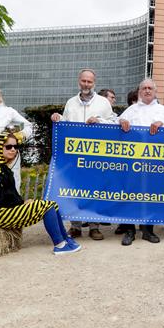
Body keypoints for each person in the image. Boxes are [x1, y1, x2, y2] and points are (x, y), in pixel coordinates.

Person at [0, 131, 81, 255]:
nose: (13, 150)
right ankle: (59, 245)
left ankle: (66, 239)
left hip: (3, 209)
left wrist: (23, 203)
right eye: (8, 147)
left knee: (53, 204)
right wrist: (22, 205)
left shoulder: (3, 167)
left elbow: (10, 194)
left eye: (15, 147)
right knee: (46, 207)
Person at [51, 69, 115, 240]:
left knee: (95, 190)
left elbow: (113, 122)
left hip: (96, 156)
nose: (86, 84)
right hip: (75, 156)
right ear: (79, 81)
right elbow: (66, 124)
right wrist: (58, 117)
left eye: (89, 82)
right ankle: (76, 227)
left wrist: (99, 120)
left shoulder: (103, 102)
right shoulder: (71, 102)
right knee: (75, 190)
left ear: (94, 83)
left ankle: (94, 227)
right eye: (84, 81)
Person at [116, 78, 164, 245]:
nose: (147, 91)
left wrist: (162, 123)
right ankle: (129, 231)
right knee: (129, 194)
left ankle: (148, 230)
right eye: (144, 88)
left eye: (150, 88)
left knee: (150, 194)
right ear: (140, 92)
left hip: (154, 162)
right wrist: (121, 121)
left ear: (155, 92)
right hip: (132, 161)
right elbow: (115, 122)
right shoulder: (131, 109)